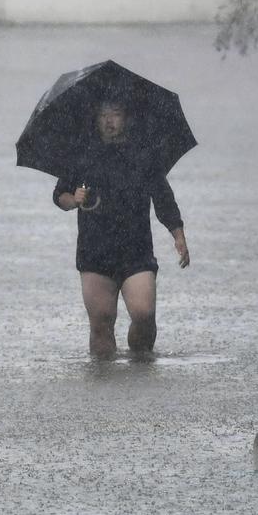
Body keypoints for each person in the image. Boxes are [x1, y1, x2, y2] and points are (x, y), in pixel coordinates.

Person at [53, 100, 189, 358]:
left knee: (143, 314)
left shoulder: (144, 155)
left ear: (126, 119)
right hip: (95, 252)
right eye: (103, 115)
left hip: (136, 251)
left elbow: (163, 198)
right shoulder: (82, 154)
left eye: (115, 114)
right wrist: (74, 199)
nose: (109, 121)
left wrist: (178, 234)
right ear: (96, 120)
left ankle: (140, 363)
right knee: (101, 323)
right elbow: (60, 196)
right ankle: (104, 387)